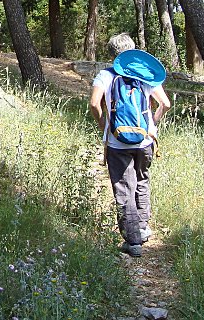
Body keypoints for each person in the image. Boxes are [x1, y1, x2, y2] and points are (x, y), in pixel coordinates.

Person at [88, 33, 171, 258]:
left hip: (117, 142)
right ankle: (142, 228)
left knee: (124, 187)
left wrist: (103, 123)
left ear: (112, 54)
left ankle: (133, 241)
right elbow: (165, 104)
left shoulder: (105, 75)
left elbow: (94, 103)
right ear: (132, 51)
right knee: (142, 180)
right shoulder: (145, 74)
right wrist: (152, 124)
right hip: (145, 141)